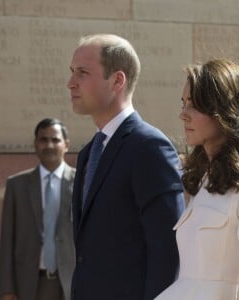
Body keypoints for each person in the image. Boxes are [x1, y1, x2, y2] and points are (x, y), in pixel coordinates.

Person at [67, 33, 185, 300]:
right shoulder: (88, 153)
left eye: (82, 73)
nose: (70, 83)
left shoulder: (149, 147)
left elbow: (167, 250)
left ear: (117, 80)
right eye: (72, 72)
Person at [155, 59, 239, 300]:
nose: (183, 115)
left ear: (223, 111)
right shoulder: (205, 179)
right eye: (183, 103)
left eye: (194, 106)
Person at [0, 118, 76, 300]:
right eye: (43, 139)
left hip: (71, 283)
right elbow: (7, 240)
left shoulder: (82, 183)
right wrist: (6, 289)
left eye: (55, 140)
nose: (49, 145)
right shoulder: (17, 186)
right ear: (35, 144)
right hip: (30, 284)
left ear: (66, 145)